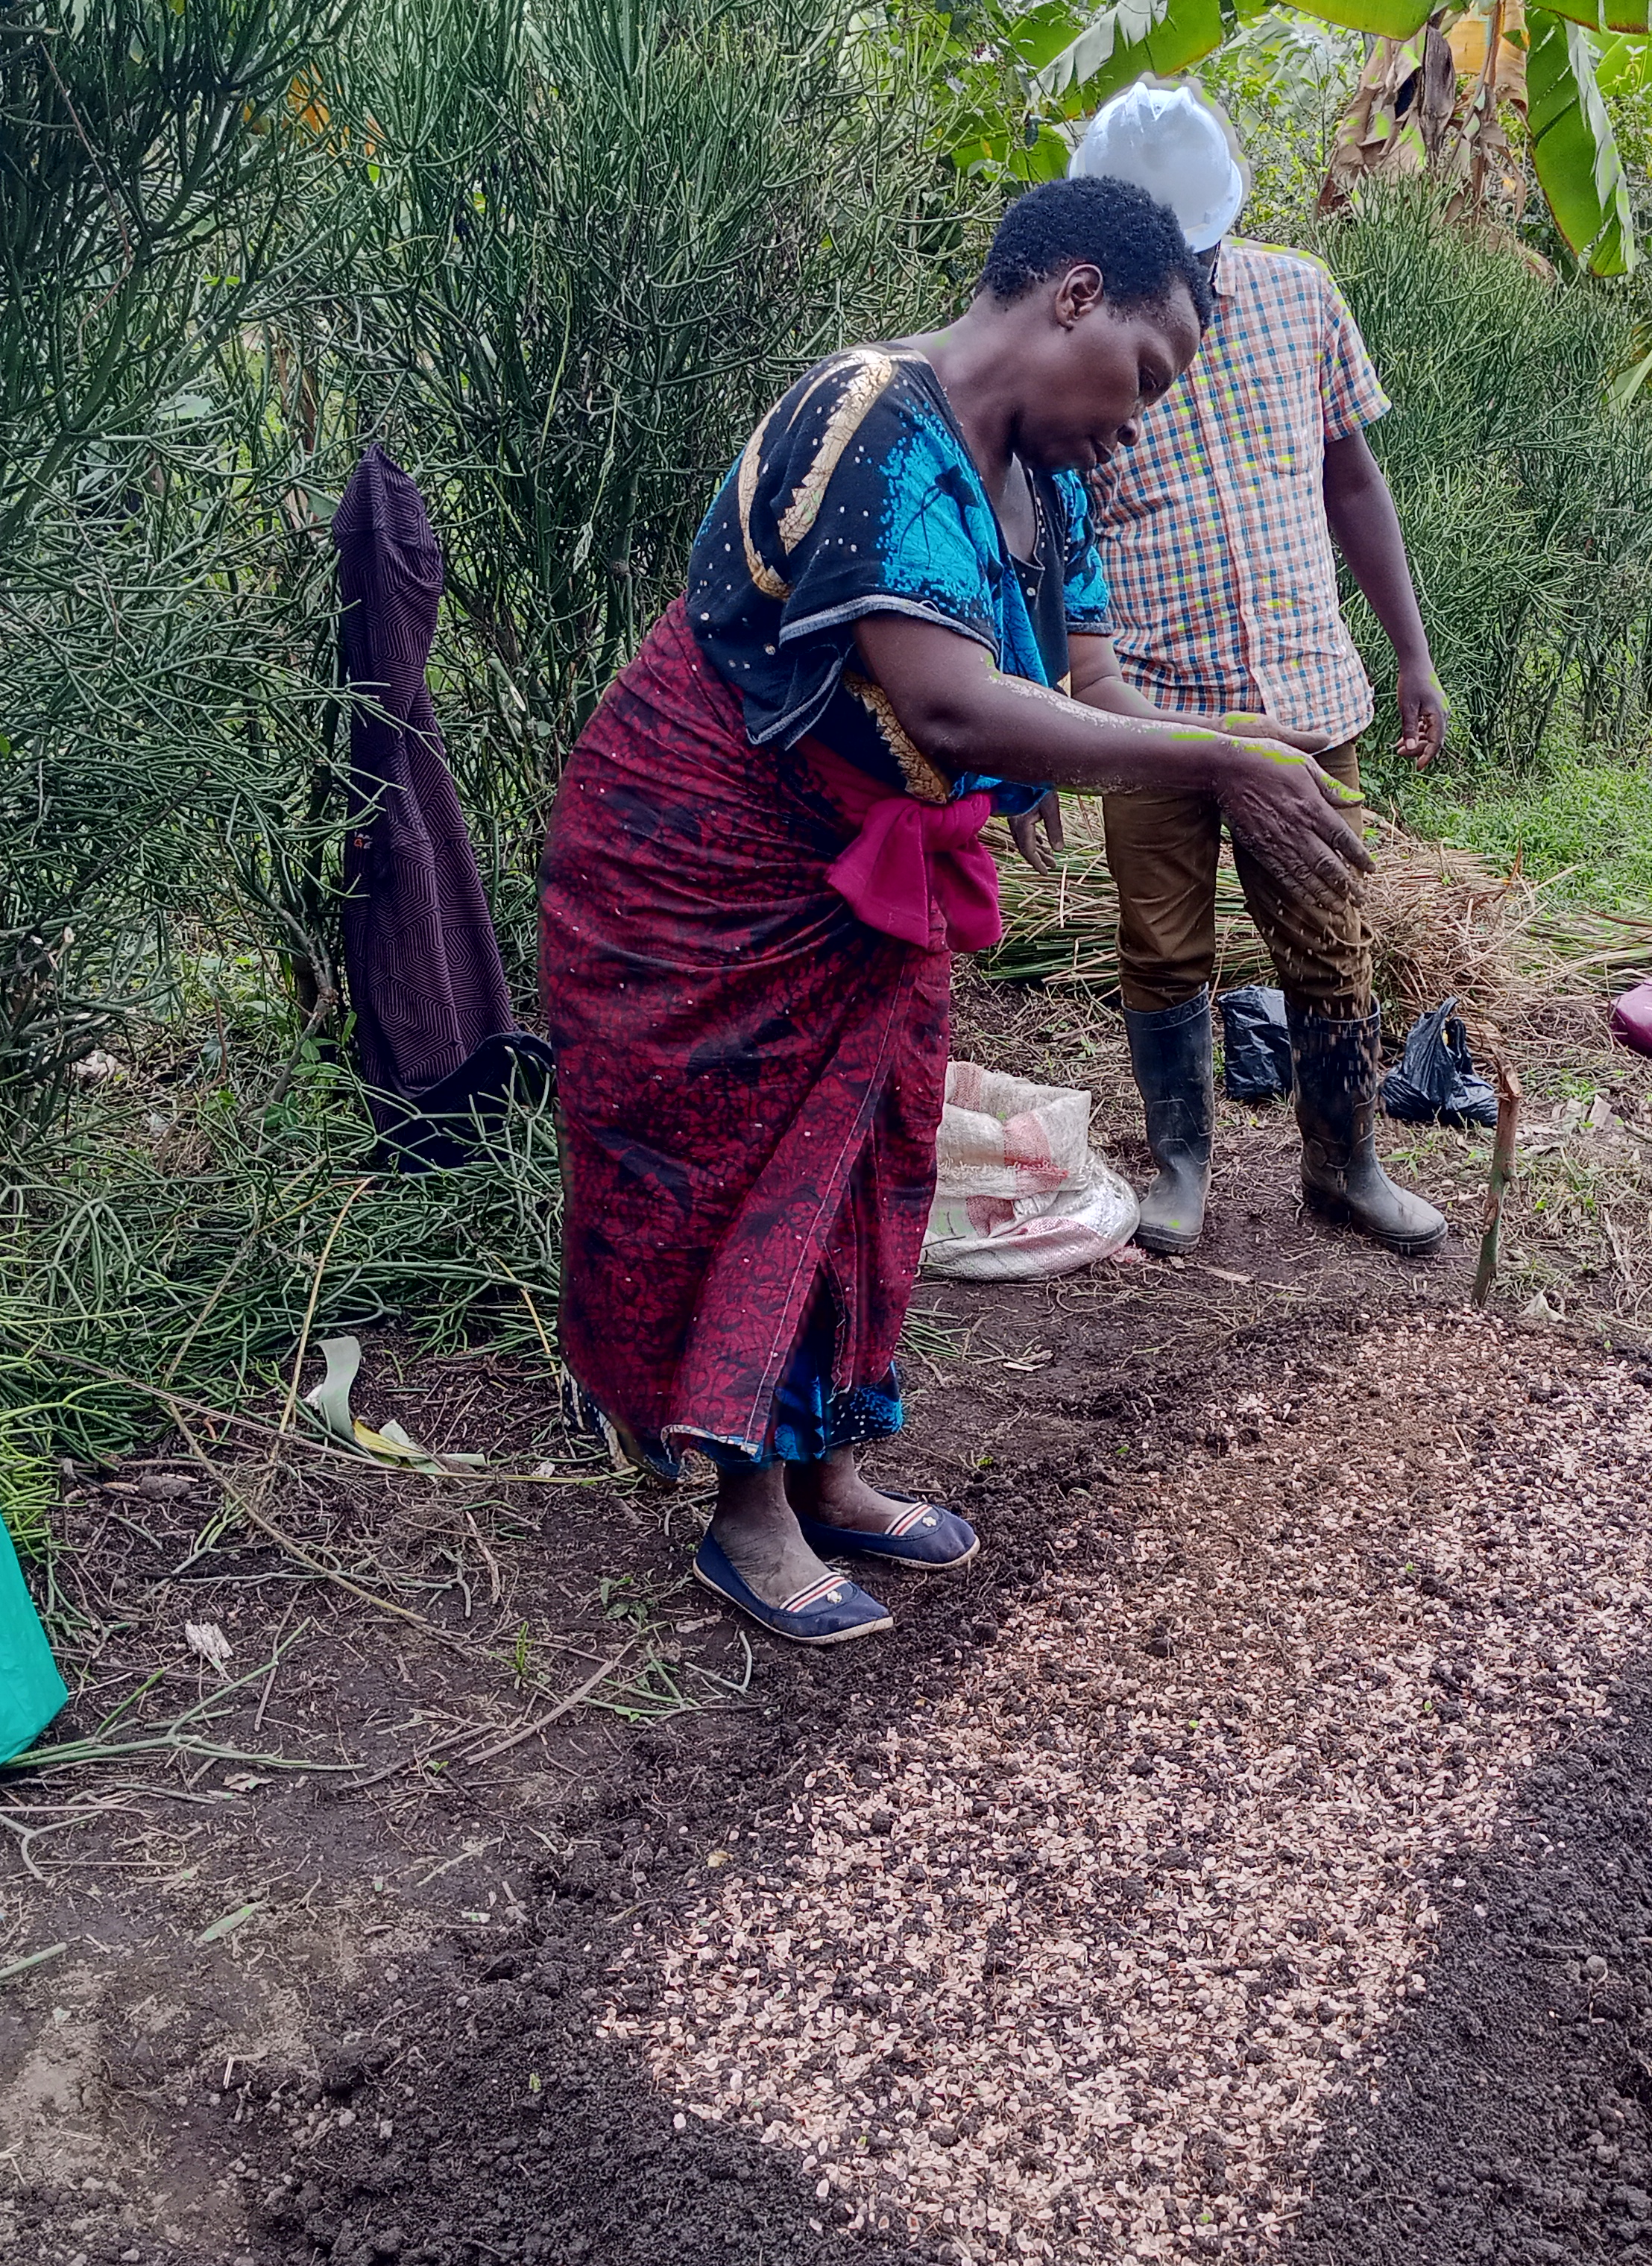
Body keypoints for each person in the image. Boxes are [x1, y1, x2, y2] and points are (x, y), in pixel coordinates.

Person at [540, 177, 1369, 1648]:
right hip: (706, 859)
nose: (1141, 418)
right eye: (1144, 374)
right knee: (742, 1164)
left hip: (863, 877)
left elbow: (1085, 690)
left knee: (873, 1150)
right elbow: (941, 695)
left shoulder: (1048, 492)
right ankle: (746, 1517)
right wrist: (1215, 760)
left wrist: (1219, 744)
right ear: (1067, 297)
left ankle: (835, 1468)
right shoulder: (868, 417)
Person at [1058, 84, 1451, 1259]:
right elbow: (1048, 542)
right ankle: (1180, 1169)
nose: (1195, 273)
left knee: (1331, 931)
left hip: (1300, 698)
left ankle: (1346, 1167)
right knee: (1162, 938)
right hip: (1146, 703)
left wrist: (1413, 655)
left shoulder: (1300, 296)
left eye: (1206, 246)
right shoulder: (1082, 340)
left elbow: (1353, 485)